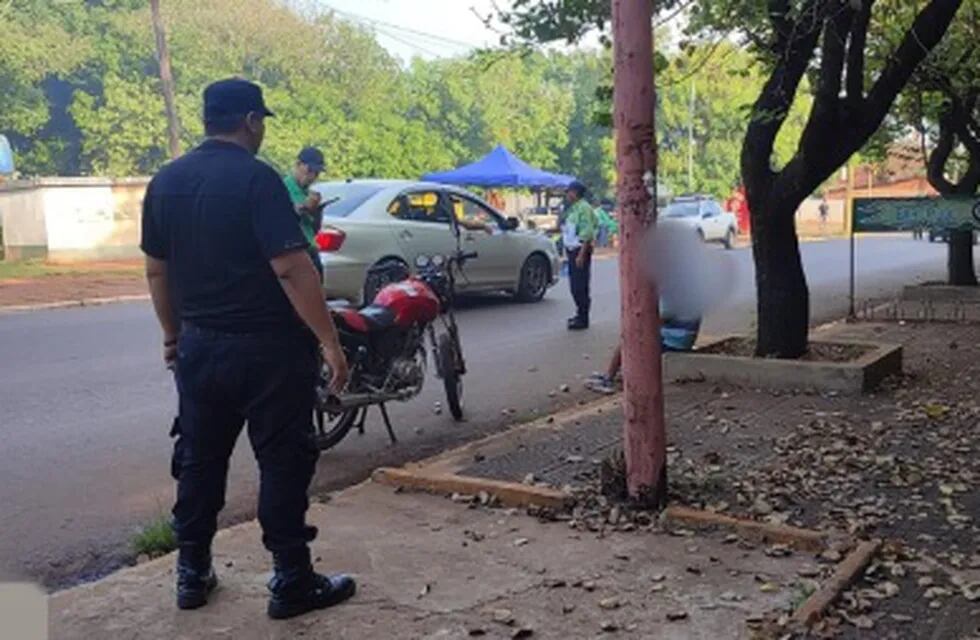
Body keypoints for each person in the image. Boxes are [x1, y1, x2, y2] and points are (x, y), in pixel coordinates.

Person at [141, 78, 355, 620]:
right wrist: (330, 341)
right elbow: (291, 267)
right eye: (261, 123)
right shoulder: (259, 181)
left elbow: (156, 269)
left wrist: (172, 335)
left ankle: (192, 573)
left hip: (199, 349)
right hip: (268, 352)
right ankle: (291, 579)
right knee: (282, 460)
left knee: (199, 460)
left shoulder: (164, 182)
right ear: (252, 121)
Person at [587, 305, 701, 394]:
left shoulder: (672, 299)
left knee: (629, 337)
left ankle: (608, 379)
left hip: (672, 343)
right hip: (679, 340)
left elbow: (653, 321)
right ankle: (622, 372)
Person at [283, 147, 327, 274]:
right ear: (298, 165)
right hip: (294, 253)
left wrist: (316, 211)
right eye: (310, 170)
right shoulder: (283, 187)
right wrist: (303, 207)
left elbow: (314, 229)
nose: (312, 176)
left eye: (317, 173)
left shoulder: (308, 193)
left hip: (310, 250)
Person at [562, 180, 597, 330]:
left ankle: (583, 318)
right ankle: (579, 314)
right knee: (574, 285)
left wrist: (581, 254)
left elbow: (587, 233)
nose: (567, 195)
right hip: (572, 250)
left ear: (575, 193)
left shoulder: (584, 208)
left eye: (569, 192)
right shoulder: (573, 208)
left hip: (579, 250)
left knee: (579, 286)